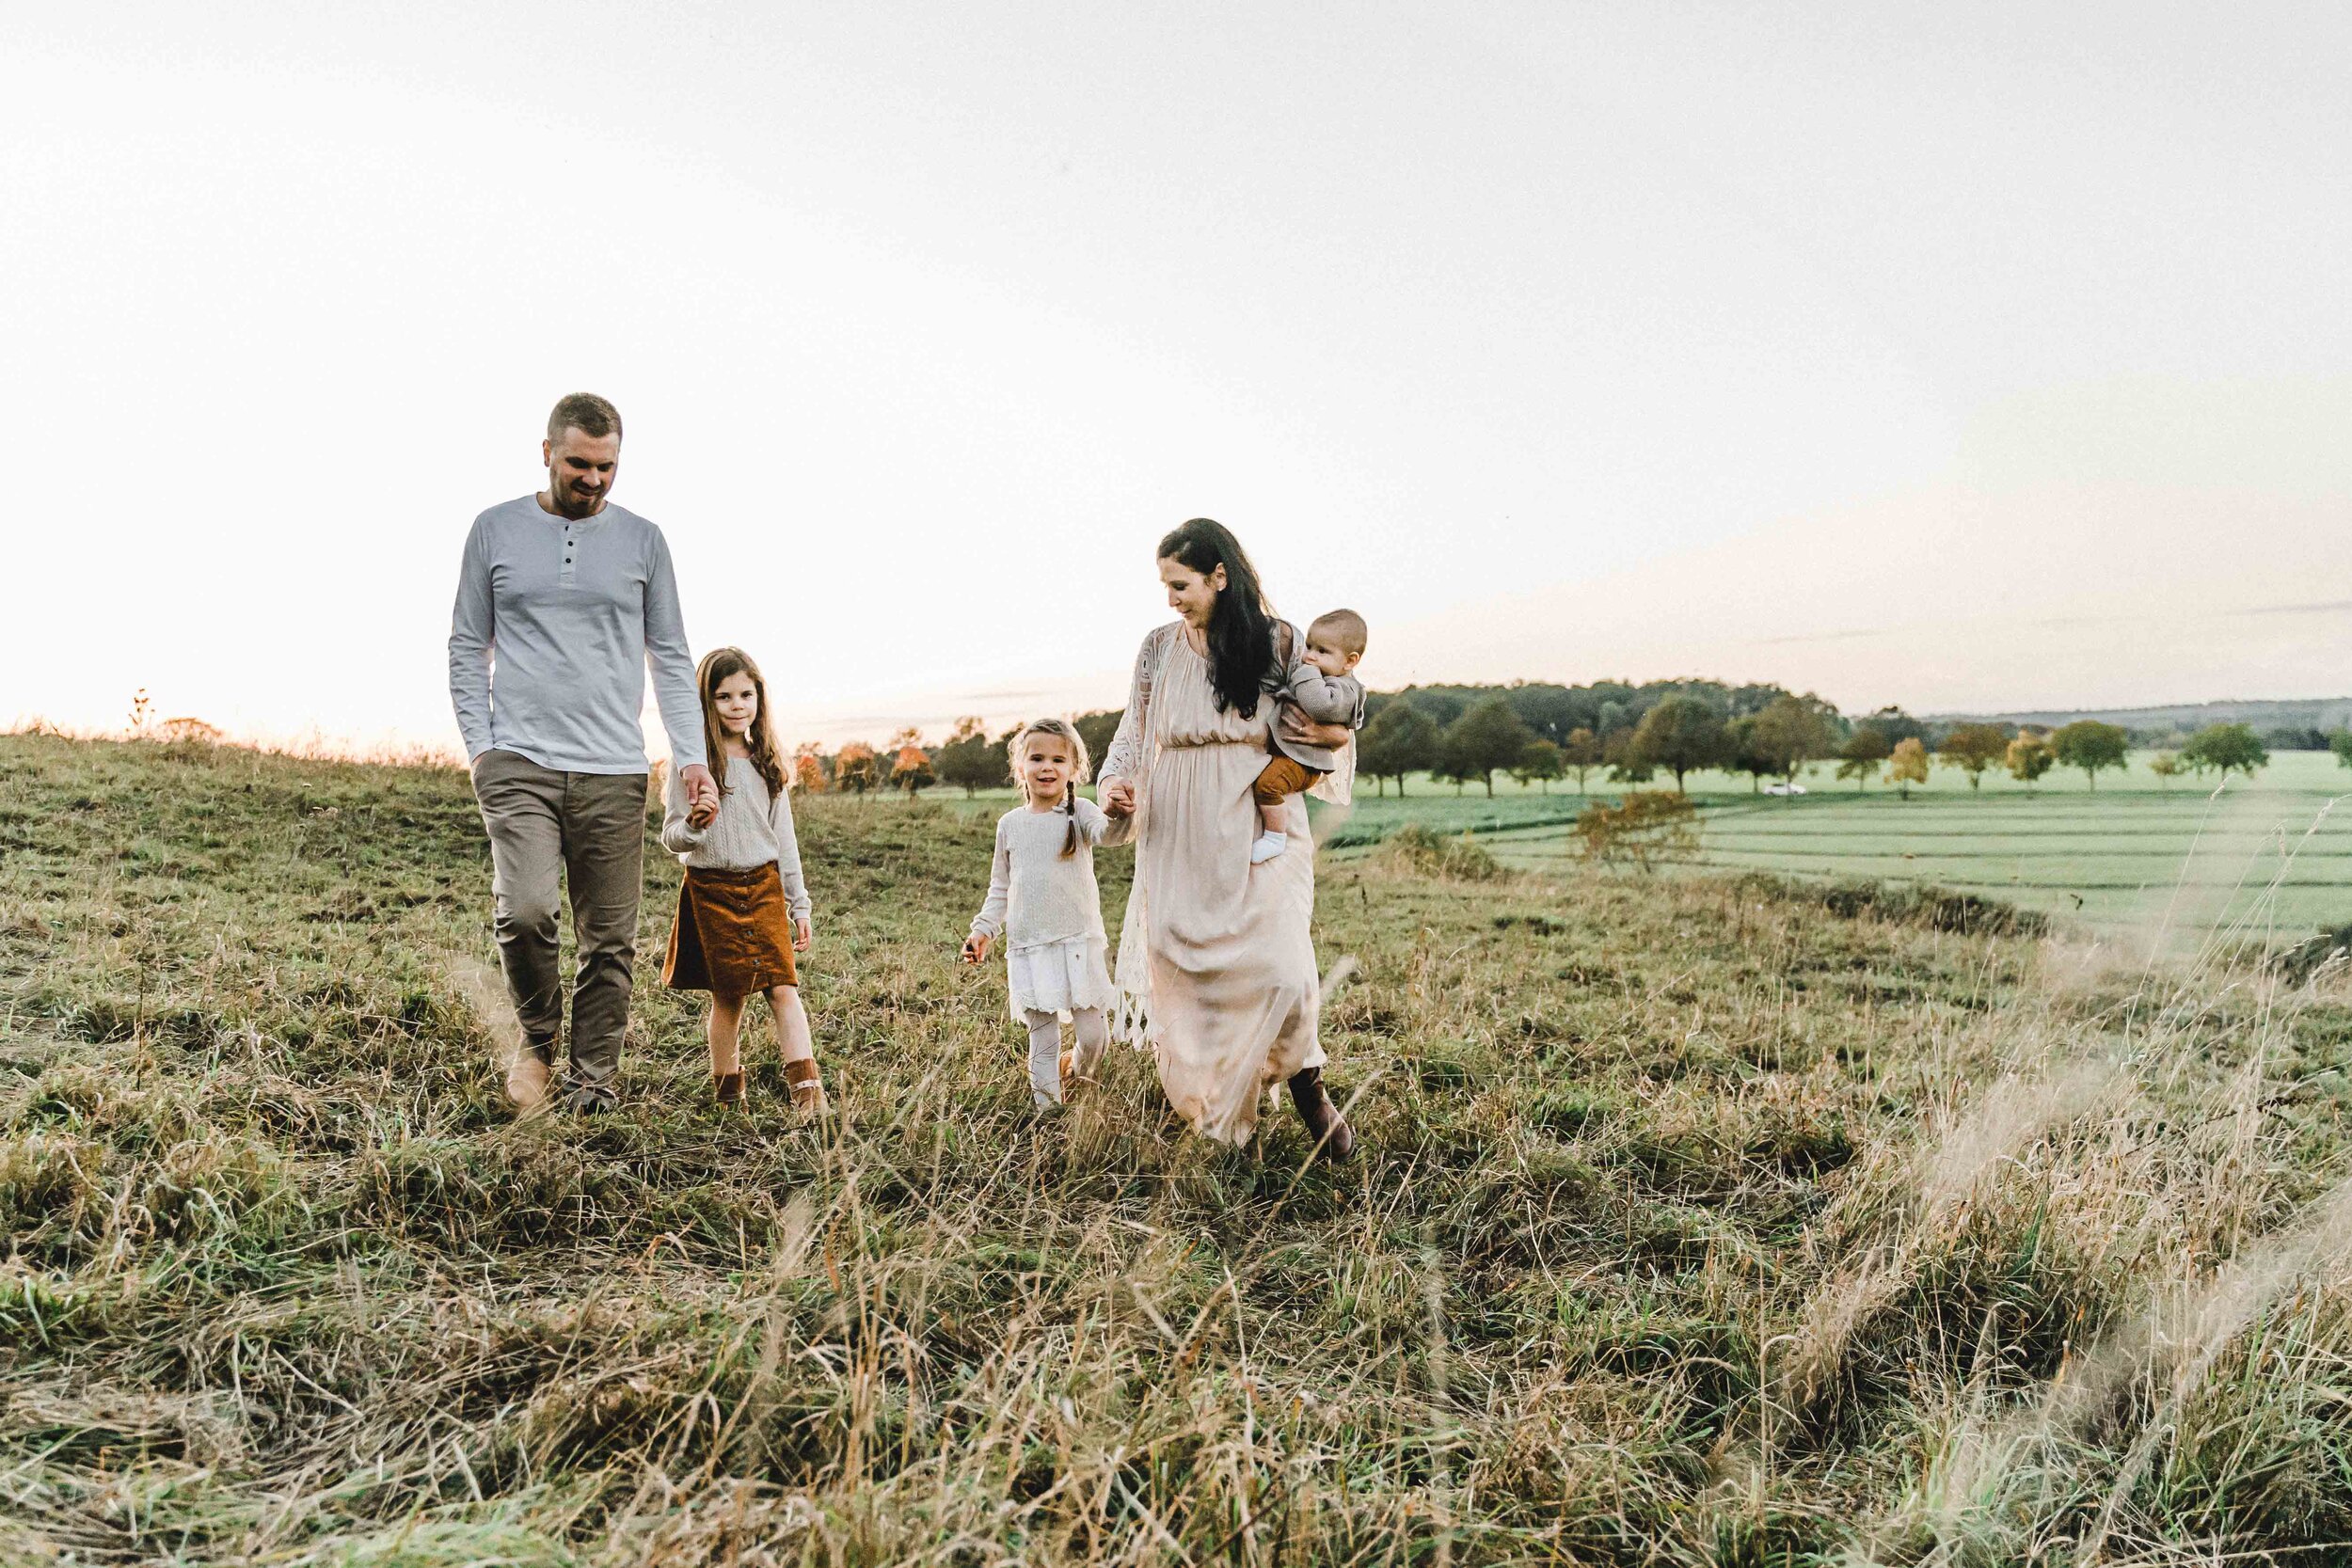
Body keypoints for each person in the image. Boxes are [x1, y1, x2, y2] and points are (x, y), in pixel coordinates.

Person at [447, 392, 718, 1115]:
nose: (593, 479)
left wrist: (690, 756)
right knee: (528, 911)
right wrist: (483, 750)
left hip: (614, 766)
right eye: (579, 463)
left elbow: (670, 654)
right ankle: (537, 1049)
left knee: (610, 940)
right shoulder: (494, 529)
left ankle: (592, 1076)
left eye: (607, 467)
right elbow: (467, 645)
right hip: (519, 762)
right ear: (546, 452)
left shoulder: (645, 541)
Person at [1095, 518, 1358, 1155]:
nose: (1170, 598)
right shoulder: (1158, 647)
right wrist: (1116, 784)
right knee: (1187, 973)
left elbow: (1333, 713)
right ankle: (1221, 1117)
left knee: (1284, 966)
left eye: (1180, 583)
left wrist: (1331, 738)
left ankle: (1306, 1083)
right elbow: (1134, 729)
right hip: (1179, 825)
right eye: (1164, 585)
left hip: (1258, 812)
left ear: (1219, 577)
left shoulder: (1279, 642)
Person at [659, 647, 825, 1113]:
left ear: (759, 698)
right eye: (723, 696)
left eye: (746, 694)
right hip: (711, 890)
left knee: (783, 989)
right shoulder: (690, 767)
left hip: (765, 886)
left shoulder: (767, 762)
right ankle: (729, 1096)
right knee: (729, 999)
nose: (737, 704)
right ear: (705, 703)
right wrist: (694, 825)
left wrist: (800, 904)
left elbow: (785, 842)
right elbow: (672, 838)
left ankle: (809, 1097)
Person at [961, 719, 1131, 1108]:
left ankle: (1078, 1077)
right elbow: (1000, 888)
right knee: (1043, 1035)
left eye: (1058, 759)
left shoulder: (1080, 812)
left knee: (1094, 1038)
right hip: (1030, 945)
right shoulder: (1011, 825)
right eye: (1036, 758)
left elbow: (1111, 835)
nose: (1047, 767)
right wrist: (983, 930)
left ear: (1074, 769)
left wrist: (1121, 814)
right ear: (1021, 767)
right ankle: (1047, 1111)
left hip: (1078, 941)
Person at [1250, 609, 1369, 863]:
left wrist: (1303, 672)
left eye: (1322, 651)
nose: (1310, 656)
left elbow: (1318, 705)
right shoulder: (1321, 676)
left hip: (1304, 762)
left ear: (1350, 661)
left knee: (1268, 786)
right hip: (1293, 754)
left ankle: (1274, 838)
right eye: (1309, 647)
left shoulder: (1345, 689)